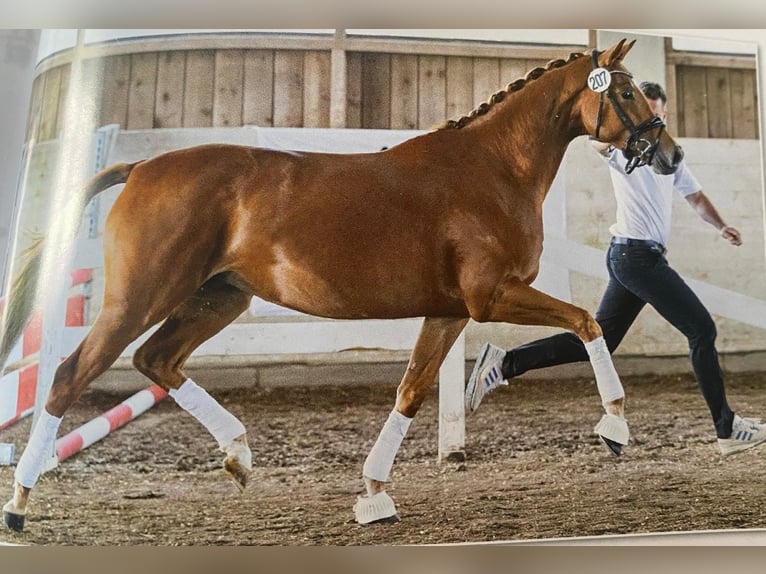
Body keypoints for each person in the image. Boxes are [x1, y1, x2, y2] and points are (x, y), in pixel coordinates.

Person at [465, 81, 766, 457]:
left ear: (664, 114)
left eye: (656, 112)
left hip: (640, 257)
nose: (651, 117)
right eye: (645, 110)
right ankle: (726, 428)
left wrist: (721, 226)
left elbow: (696, 196)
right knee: (701, 329)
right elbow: (598, 142)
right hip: (635, 258)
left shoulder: (670, 158)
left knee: (594, 339)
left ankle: (504, 363)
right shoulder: (624, 150)